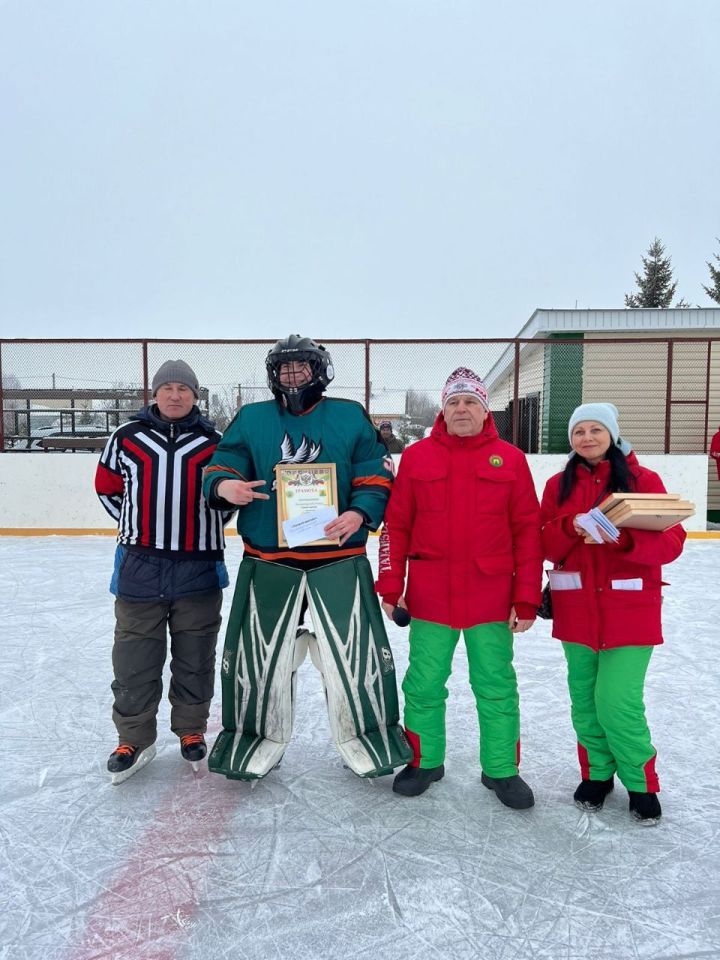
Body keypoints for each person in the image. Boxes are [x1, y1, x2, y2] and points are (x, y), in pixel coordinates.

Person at [201, 334, 412, 781]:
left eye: (301, 366)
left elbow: (374, 471)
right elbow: (223, 462)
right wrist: (225, 487)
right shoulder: (253, 417)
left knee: (357, 654)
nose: (292, 375)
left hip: (339, 558)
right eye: (284, 368)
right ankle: (252, 737)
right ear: (273, 374)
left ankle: (368, 736)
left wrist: (359, 512)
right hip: (268, 558)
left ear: (320, 370)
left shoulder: (349, 415)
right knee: (256, 657)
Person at [375, 367, 543, 808]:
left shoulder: (510, 459)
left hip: (491, 596)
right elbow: (396, 526)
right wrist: (392, 588)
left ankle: (502, 770)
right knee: (424, 684)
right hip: (431, 597)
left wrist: (526, 597)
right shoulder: (418, 458)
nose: (462, 409)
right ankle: (425, 760)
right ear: (443, 410)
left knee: (496, 686)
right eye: (454, 402)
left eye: (470, 402)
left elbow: (528, 532)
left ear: (485, 409)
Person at [540, 402, 686, 824]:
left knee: (617, 702)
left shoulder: (643, 480)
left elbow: (672, 542)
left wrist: (621, 540)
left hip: (630, 611)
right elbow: (542, 542)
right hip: (576, 610)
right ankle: (598, 775)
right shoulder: (557, 486)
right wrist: (570, 528)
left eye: (595, 430)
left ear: (612, 433)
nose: (586, 437)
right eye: (578, 431)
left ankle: (641, 783)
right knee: (585, 701)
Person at [95, 360, 233, 783]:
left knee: (195, 656)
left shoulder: (216, 442)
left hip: (199, 566)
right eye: (167, 387)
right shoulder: (126, 437)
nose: (175, 395)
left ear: (196, 395)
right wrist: (140, 529)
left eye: (184, 388)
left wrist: (199, 531)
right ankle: (133, 738)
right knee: (134, 657)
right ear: (154, 394)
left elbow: (226, 500)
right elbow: (107, 487)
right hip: (140, 565)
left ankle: (190, 729)